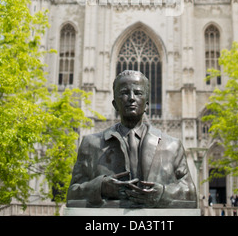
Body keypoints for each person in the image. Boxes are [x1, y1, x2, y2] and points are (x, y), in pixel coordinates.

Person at [66, 70, 197, 208]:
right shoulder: (91, 144)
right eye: (124, 93)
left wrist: (163, 194)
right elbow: (73, 194)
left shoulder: (172, 146)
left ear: (147, 104)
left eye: (138, 93)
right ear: (115, 104)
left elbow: (191, 194)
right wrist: (101, 187)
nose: (131, 98)